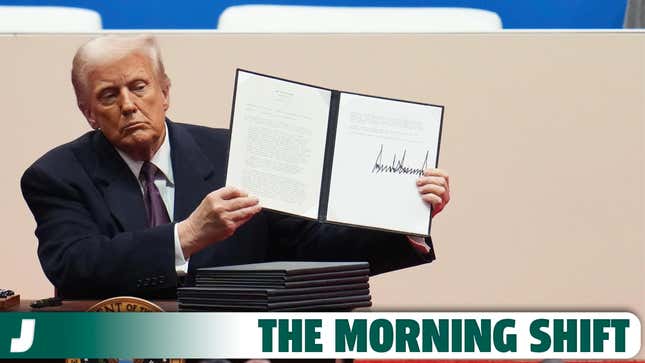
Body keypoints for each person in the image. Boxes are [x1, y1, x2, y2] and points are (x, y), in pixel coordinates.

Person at [20, 35, 451, 299]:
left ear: (165, 92)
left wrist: (404, 220)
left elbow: (309, 245)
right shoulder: (56, 175)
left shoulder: (235, 153)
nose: (129, 105)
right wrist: (185, 236)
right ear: (88, 112)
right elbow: (73, 264)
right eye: (109, 95)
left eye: (139, 87)